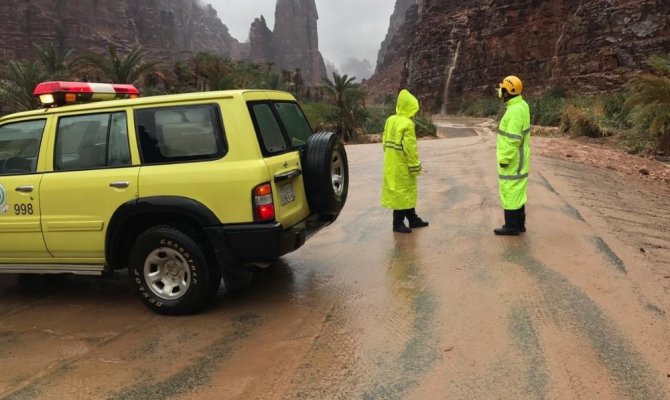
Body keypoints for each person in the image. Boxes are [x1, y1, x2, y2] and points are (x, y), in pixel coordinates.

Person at [381, 89, 429, 233]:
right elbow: (410, 148)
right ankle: (398, 224)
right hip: (403, 166)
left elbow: (384, 142)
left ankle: (413, 219)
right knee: (402, 193)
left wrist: (392, 156)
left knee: (403, 193)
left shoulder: (390, 120)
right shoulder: (408, 124)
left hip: (391, 164)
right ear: (410, 107)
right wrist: (415, 165)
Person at [494, 75, 531, 235]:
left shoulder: (514, 111)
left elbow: (513, 139)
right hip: (520, 158)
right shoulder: (521, 105)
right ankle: (520, 225)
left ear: (507, 91)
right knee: (518, 191)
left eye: (502, 89)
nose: (500, 92)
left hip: (513, 159)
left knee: (509, 190)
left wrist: (504, 159)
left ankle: (511, 226)